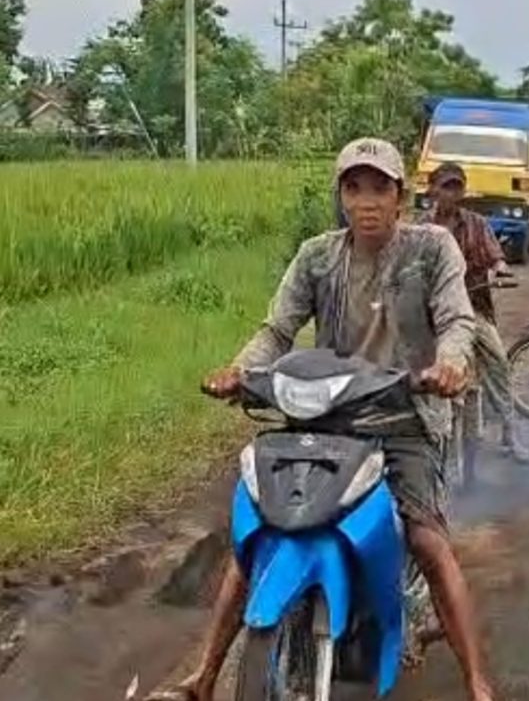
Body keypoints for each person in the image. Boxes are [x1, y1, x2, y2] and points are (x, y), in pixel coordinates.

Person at [148, 138, 495, 701]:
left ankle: (478, 683)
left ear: (400, 196)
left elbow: (458, 321)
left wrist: (450, 364)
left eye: (379, 188)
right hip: (326, 418)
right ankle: (204, 677)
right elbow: (277, 330)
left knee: (429, 543)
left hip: (402, 418)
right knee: (259, 535)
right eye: (354, 188)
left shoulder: (432, 249)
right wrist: (239, 371)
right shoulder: (317, 256)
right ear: (340, 196)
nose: (367, 201)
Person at [422, 162, 529, 464]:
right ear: (432, 190)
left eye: (456, 187)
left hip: (472, 307)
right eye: (446, 187)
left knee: (498, 364)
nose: (451, 194)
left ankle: (510, 433)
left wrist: (500, 269)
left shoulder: (476, 224)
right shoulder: (420, 229)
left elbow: (496, 257)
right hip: (432, 313)